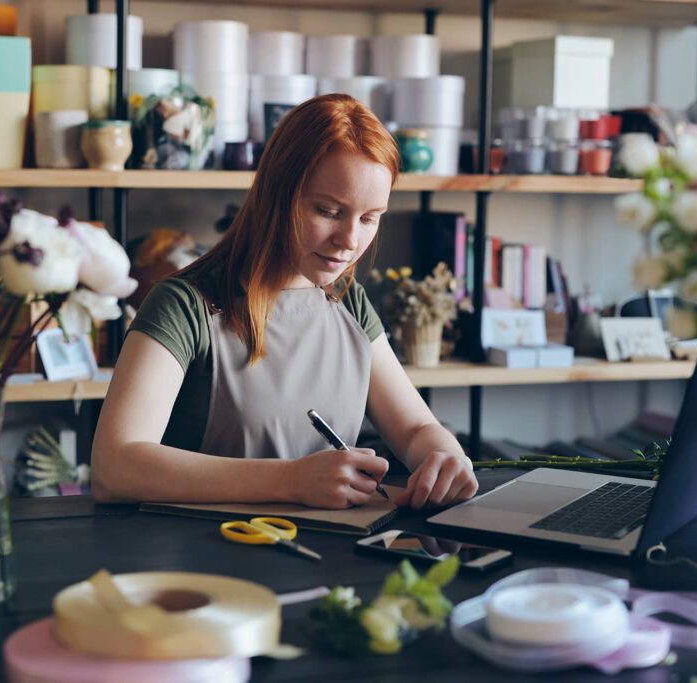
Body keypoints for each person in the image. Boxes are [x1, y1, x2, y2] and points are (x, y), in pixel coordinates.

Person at [92, 94, 477, 510]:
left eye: (369, 218)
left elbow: (417, 428)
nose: (349, 241)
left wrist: (447, 457)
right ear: (278, 194)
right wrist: (291, 479)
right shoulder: (183, 306)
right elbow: (115, 467)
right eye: (328, 210)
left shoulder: (350, 302)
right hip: (208, 565)